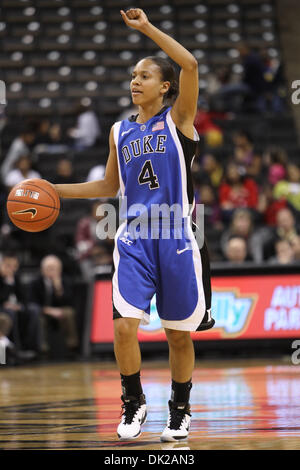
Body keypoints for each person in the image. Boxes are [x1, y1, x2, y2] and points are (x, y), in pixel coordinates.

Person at [51, 8, 214, 442]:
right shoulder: (119, 131)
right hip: (135, 238)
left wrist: (145, 29)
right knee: (124, 324)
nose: (134, 81)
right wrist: (54, 189)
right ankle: (133, 400)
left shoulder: (178, 120)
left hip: (177, 236)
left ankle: (180, 408)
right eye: (132, 75)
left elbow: (191, 65)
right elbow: (107, 184)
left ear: (164, 87)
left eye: (144, 75)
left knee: (179, 336)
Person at [28, 255, 79, 355]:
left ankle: (72, 347)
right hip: (43, 311)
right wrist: (48, 310)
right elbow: (32, 303)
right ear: (42, 270)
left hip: (60, 310)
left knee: (69, 313)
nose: (51, 271)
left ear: (60, 270)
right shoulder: (35, 282)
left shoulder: (65, 281)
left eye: (54, 268)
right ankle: (43, 349)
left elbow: (69, 302)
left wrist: (58, 288)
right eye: (49, 268)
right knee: (39, 318)